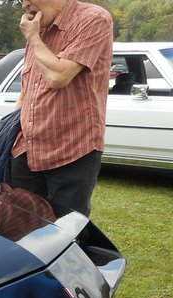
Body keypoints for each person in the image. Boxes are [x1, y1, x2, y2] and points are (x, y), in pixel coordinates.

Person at [10, 0, 113, 218]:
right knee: (20, 228)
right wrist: (12, 132)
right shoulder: (39, 30)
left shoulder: (93, 19)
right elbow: (26, 90)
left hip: (71, 151)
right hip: (28, 150)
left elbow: (57, 76)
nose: (24, 5)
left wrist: (34, 38)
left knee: (64, 234)